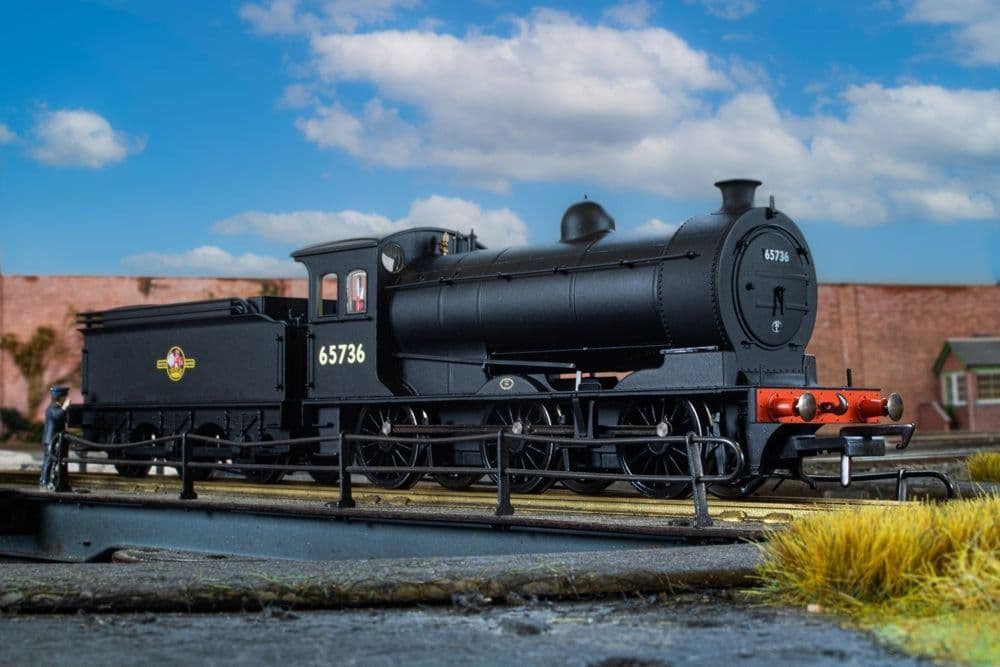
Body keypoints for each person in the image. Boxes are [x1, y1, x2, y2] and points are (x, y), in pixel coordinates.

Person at [40, 386, 70, 490]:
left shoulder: (54, 407)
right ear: (60, 397)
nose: (66, 399)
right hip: (51, 440)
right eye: (64, 397)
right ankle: (45, 481)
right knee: (49, 460)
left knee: (50, 460)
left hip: (52, 439)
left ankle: (45, 480)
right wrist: (65, 408)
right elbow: (58, 416)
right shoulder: (53, 407)